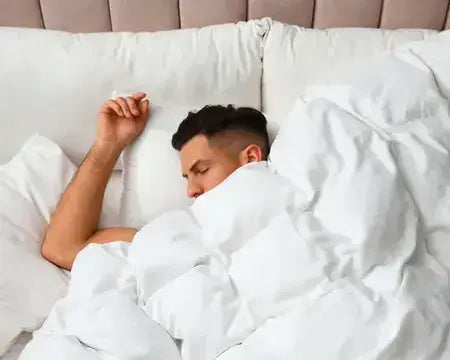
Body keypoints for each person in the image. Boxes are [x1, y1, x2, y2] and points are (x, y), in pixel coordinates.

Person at [41, 93, 270, 270]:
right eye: (187, 178)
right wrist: (108, 144)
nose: (190, 191)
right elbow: (63, 247)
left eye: (201, 170)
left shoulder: (296, 210)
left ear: (250, 158)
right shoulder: (180, 234)